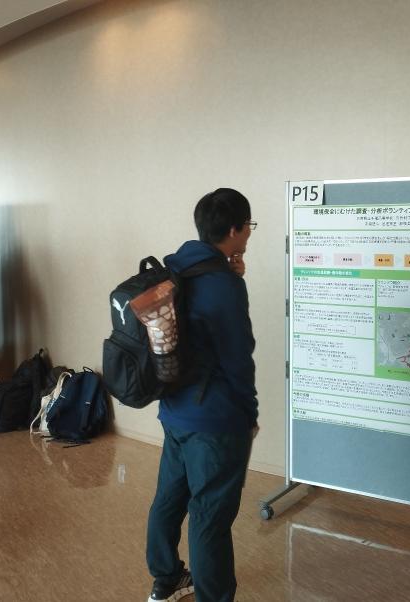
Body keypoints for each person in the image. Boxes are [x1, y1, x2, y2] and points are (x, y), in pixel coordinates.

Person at [145, 188, 259, 602]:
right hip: (215, 418)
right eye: (249, 226)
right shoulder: (223, 285)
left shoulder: (175, 268)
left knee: (169, 498)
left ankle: (165, 580)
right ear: (234, 230)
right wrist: (249, 413)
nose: (249, 233)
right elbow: (237, 358)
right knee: (210, 516)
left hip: (175, 408)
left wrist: (232, 275)